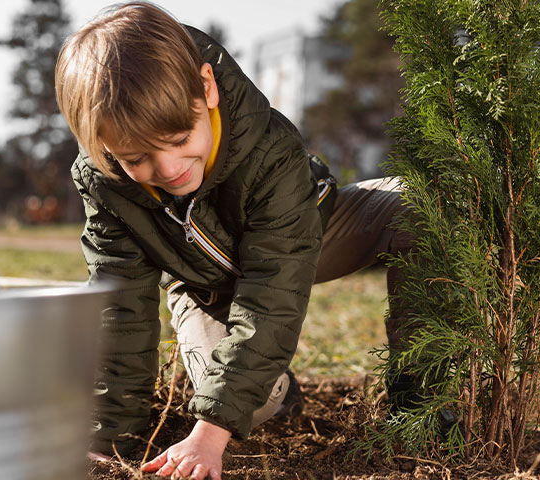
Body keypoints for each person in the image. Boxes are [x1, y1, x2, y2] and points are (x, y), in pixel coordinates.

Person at [55, 3, 414, 478]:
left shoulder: (267, 146)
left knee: (422, 206)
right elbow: (120, 302)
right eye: (136, 157)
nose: (167, 169)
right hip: (203, 282)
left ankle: (425, 409)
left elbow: (274, 289)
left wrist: (209, 434)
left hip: (311, 234)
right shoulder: (104, 180)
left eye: (180, 137)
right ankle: (279, 394)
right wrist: (111, 435)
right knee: (247, 402)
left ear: (206, 88)